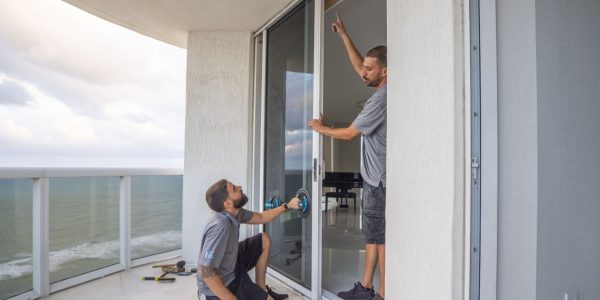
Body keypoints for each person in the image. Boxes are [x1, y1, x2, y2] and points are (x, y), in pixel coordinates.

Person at [309, 12, 387, 300]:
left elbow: (351, 133)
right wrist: (344, 34)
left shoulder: (381, 99)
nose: (363, 72)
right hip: (375, 178)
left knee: (381, 240)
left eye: (369, 68)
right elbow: (358, 66)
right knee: (374, 237)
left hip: (379, 179)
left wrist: (321, 128)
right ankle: (367, 288)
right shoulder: (381, 85)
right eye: (364, 67)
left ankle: (382, 294)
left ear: (384, 72)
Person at [197, 179, 301, 300]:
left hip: (231, 263)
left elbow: (261, 217)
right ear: (228, 204)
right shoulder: (220, 226)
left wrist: (287, 206)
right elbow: (206, 271)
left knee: (264, 239)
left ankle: (261, 289)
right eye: (234, 189)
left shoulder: (235, 212)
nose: (239, 187)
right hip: (222, 284)